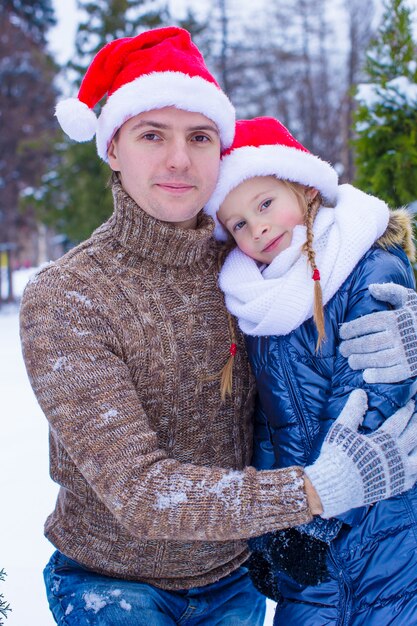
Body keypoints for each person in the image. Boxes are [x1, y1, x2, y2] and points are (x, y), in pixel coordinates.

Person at [19, 28, 417, 626]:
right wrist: (310, 493)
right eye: (152, 135)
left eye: (199, 137)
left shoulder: (255, 268)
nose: (179, 158)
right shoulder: (69, 296)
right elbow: (140, 492)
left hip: (237, 576)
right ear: (111, 148)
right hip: (118, 583)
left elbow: (342, 297)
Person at [205, 115, 417, 624]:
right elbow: (264, 424)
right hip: (302, 532)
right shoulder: (257, 302)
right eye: (238, 223)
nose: (257, 227)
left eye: (265, 204)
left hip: (378, 527)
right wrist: (267, 533)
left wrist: (313, 524)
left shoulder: (368, 262)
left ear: (302, 186)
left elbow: (371, 396)